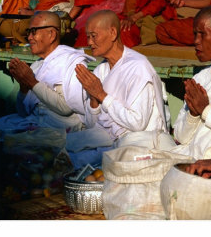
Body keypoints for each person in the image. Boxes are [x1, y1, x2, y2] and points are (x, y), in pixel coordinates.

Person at [69, 10, 169, 164]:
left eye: (93, 36)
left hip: (139, 144)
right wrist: (94, 100)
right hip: (108, 141)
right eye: (88, 37)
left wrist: (102, 95)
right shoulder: (100, 70)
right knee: (62, 146)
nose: (89, 42)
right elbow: (92, 126)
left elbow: (137, 123)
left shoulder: (138, 67)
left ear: (113, 33)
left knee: (76, 160)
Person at [0, 11, 95, 133]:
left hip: (60, 128)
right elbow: (23, 112)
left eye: (33, 32)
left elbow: (65, 108)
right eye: (28, 32)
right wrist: (24, 87)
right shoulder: (38, 64)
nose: (29, 37)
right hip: (36, 122)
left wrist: (32, 82)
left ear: (51, 34)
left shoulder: (72, 62)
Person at [172, 5, 211, 160]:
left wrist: (205, 110)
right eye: (195, 34)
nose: (196, 41)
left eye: (202, 34)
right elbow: (180, 136)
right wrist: (193, 114)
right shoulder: (200, 78)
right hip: (187, 156)